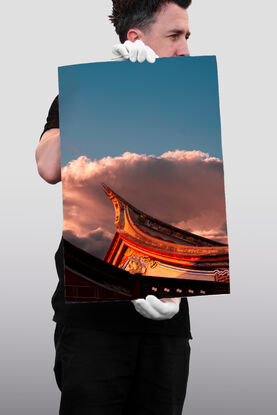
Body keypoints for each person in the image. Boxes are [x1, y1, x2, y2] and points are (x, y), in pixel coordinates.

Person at [35, 1, 193, 414]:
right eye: (175, 36)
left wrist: (183, 284)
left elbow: (197, 200)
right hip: (92, 320)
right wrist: (99, 87)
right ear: (135, 38)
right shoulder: (82, 91)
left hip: (167, 317)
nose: (185, 50)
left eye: (187, 37)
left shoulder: (189, 103)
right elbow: (49, 167)